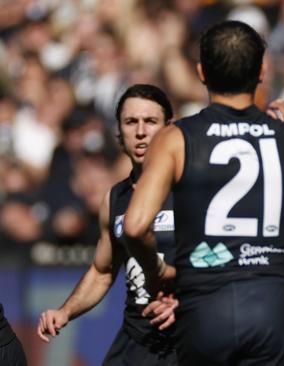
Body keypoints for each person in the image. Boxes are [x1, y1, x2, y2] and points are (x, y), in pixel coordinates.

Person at [122, 21, 284, 365]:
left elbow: (134, 226)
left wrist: (159, 274)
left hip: (203, 306)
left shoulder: (175, 139)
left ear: (201, 73)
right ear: (262, 71)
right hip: (271, 308)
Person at [37, 84, 179, 365]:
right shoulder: (115, 199)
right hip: (135, 340)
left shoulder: (192, 191)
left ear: (169, 130)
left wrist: (186, 300)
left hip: (186, 338)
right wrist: (65, 312)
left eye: (150, 121)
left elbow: (225, 261)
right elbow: (103, 271)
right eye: (131, 122)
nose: (140, 132)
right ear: (119, 133)